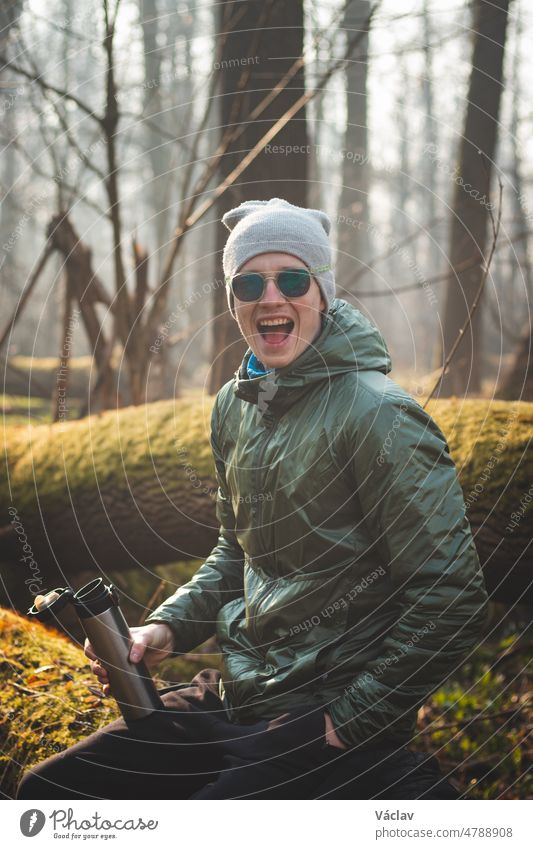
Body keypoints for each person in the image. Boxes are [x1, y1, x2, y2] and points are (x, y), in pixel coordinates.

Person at [17, 198, 488, 800]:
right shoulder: (236, 406)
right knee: (51, 792)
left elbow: (453, 598)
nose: (270, 297)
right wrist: (166, 628)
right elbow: (236, 554)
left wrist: (345, 723)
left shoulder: (380, 416)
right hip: (239, 693)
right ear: (233, 299)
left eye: (292, 278)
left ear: (322, 292)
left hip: (326, 715)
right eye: (248, 282)